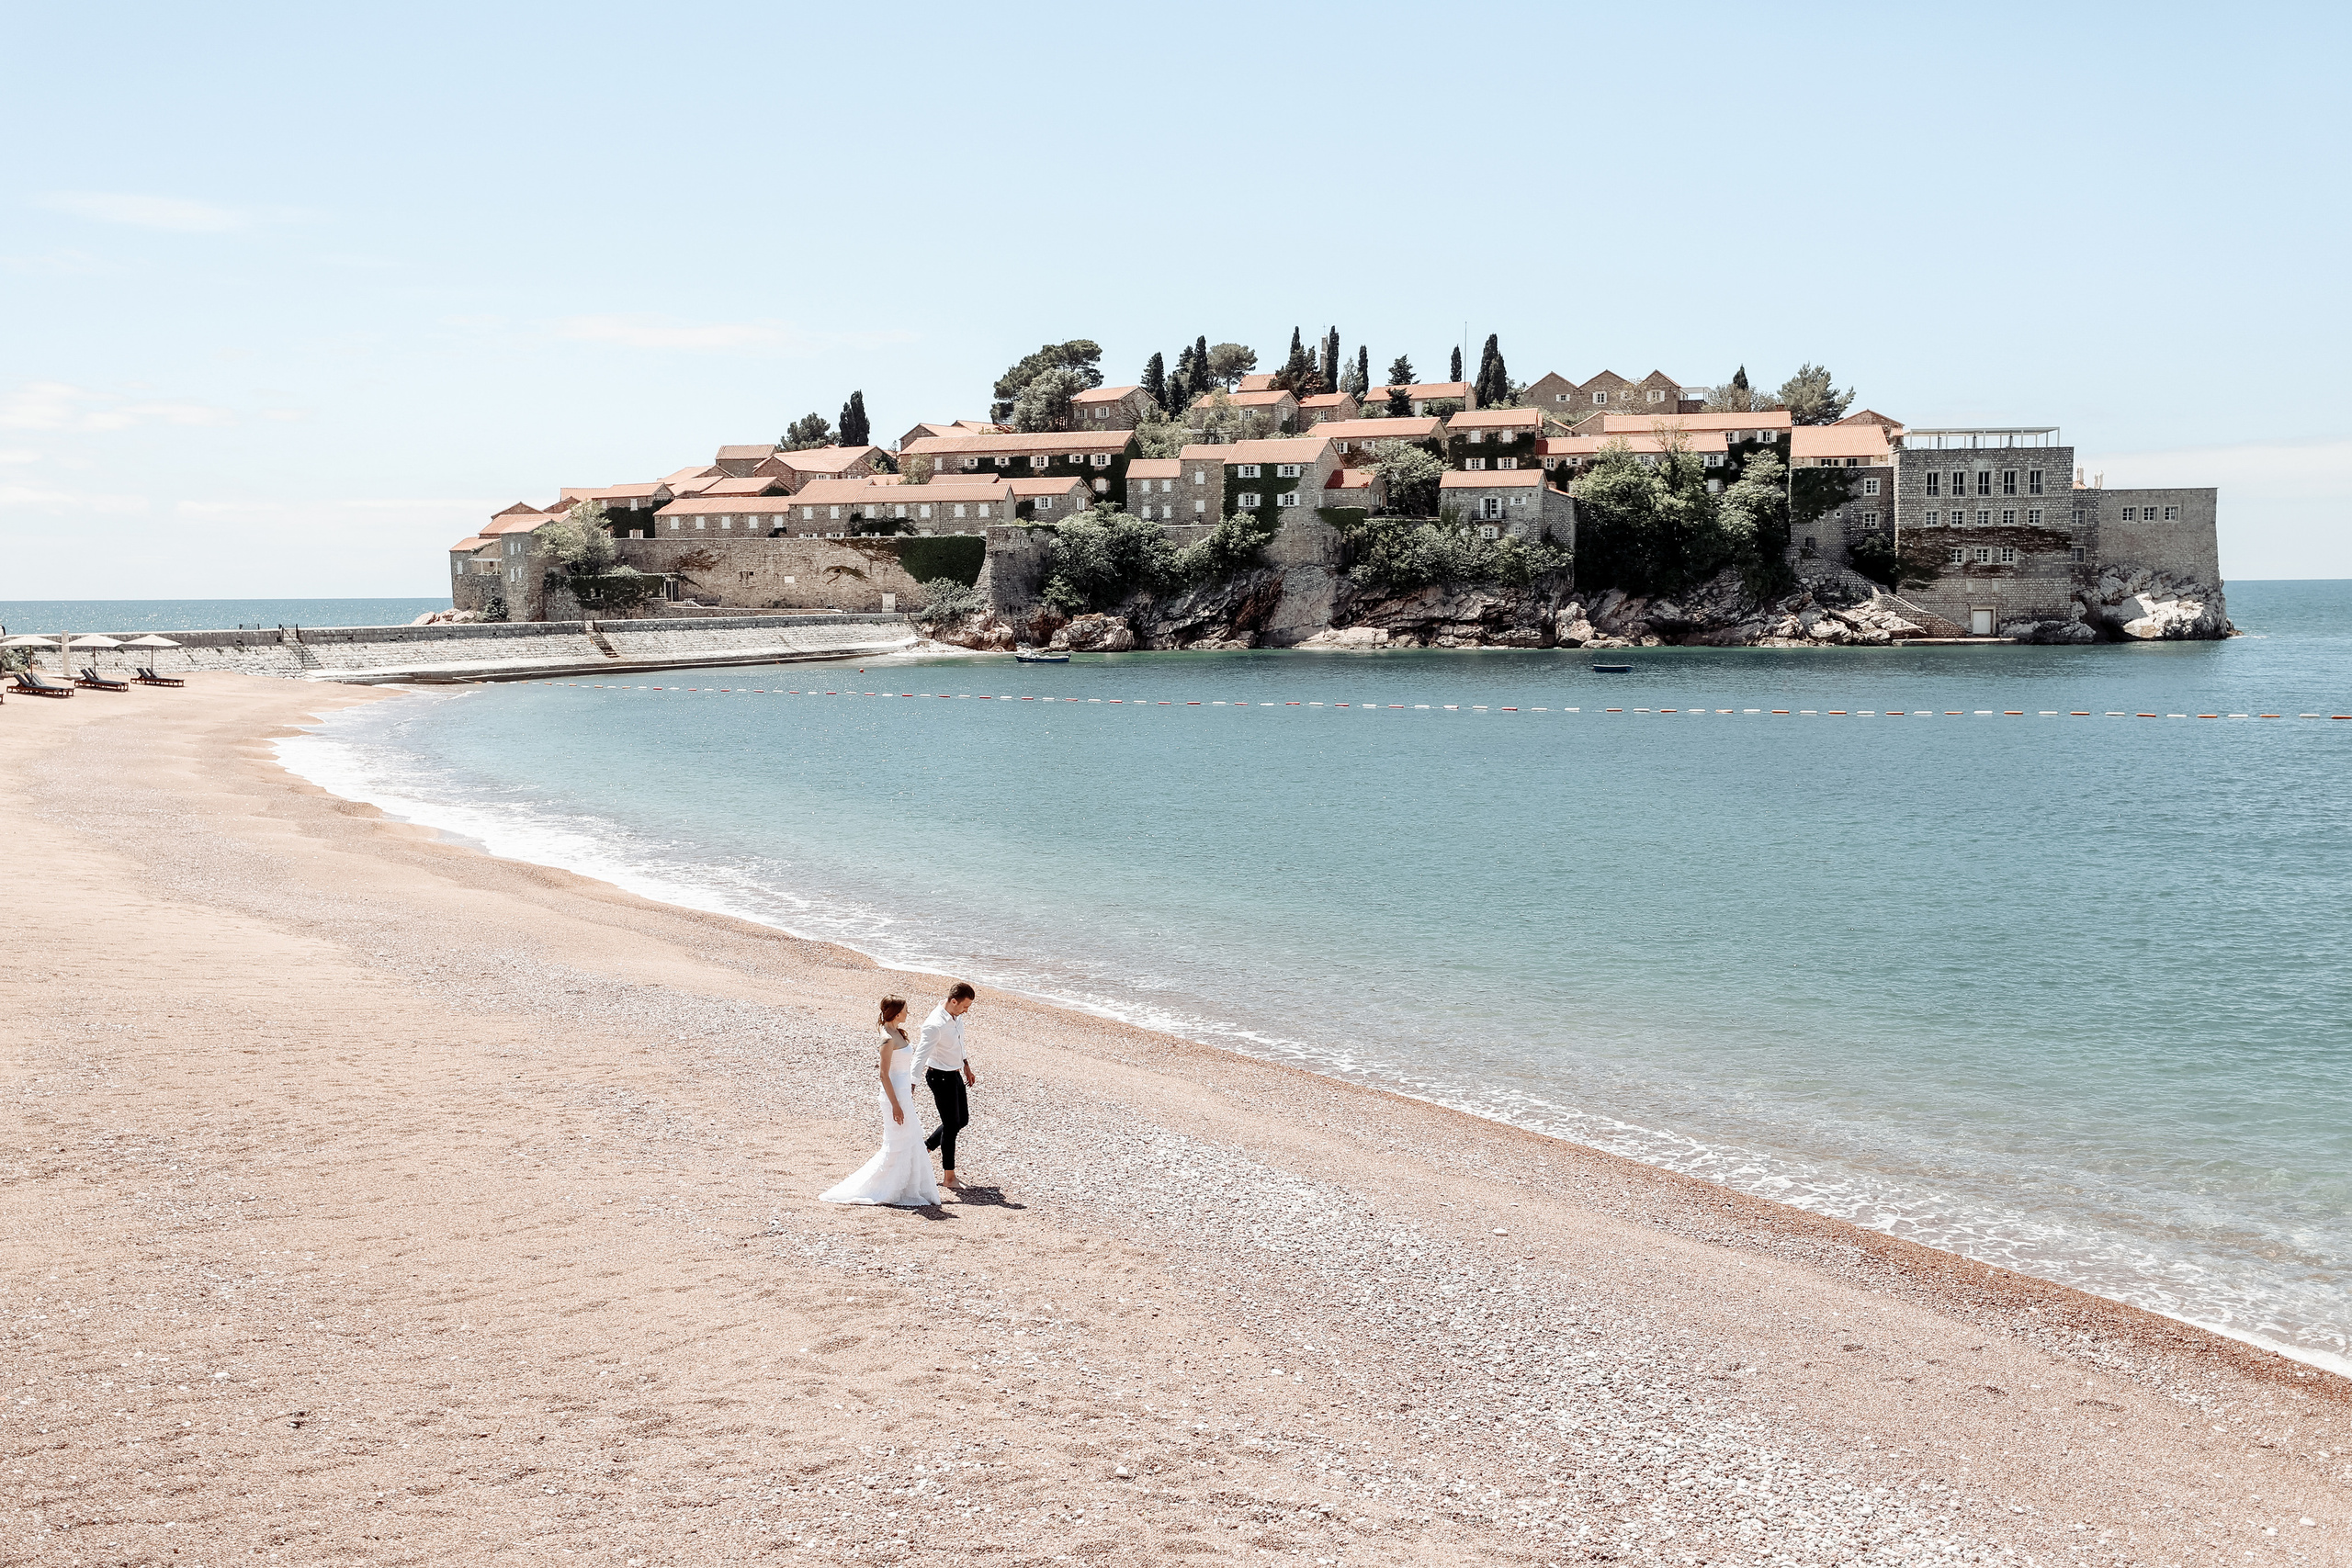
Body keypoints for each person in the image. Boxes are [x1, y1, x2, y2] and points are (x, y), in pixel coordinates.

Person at [818, 997, 942, 1208]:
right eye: (905, 1010)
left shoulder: (898, 1033)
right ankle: (885, 1188)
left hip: (903, 1094)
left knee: (911, 1138)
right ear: (895, 1012)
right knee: (896, 1144)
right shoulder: (887, 1039)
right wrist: (895, 1104)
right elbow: (884, 1075)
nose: (907, 1013)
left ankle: (910, 1188)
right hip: (894, 1096)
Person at [915, 982, 979, 1189]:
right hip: (940, 1077)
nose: (966, 1011)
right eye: (965, 1006)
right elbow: (920, 1056)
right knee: (951, 1125)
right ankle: (949, 1178)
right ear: (953, 1001)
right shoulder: (935, 1024)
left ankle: (924, 1148)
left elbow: (960, 1043)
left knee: (962, 1120)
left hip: (955, 1074)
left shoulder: (956, 1015)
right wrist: (911, 1085)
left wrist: (966, 1066)